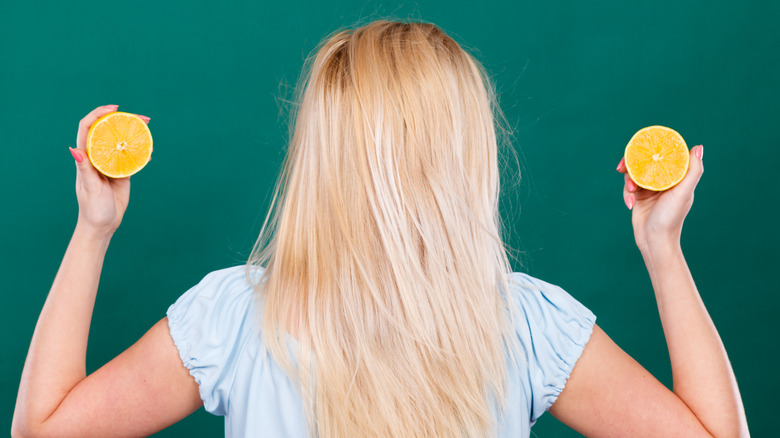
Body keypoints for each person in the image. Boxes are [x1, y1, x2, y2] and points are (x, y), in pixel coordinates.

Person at [12, 20, 748, 438]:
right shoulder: (525, 324)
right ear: (465, 156)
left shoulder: (231, 319)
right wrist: (662, 251)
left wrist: (93, 231)